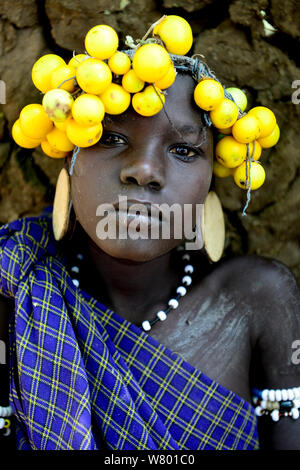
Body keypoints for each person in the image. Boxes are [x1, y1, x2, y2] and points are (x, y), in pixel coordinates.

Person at [0, 30, 300, 451]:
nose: (143, 170)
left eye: (183, 151)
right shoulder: (13, 290)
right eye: (111, 138)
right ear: (70, 163)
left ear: (210, 184)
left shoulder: (257, 299)